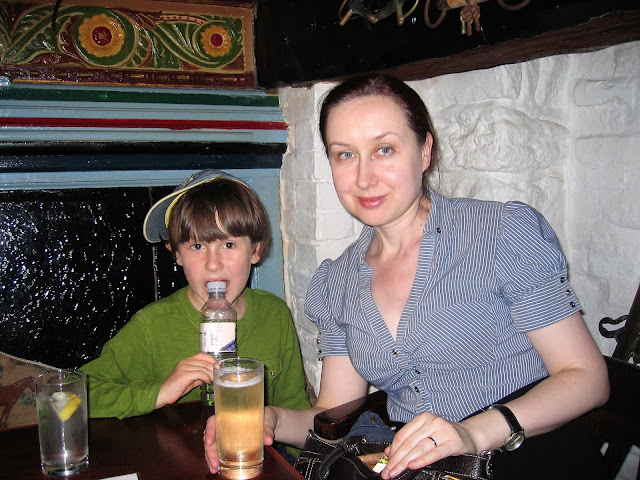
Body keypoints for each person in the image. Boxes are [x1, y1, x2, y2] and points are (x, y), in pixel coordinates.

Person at [203, 75, 609, 479]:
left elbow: (587, 378)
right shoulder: (336, 282)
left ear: (425, 150)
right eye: (345, 155)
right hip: (421, 469)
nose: (364, 178)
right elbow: (331, 411)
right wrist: (270, 418)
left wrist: (473, 433)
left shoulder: (500, 234)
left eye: (384, 149)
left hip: (526, 454)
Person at [81, 169, 310, 458]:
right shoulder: (152, 326)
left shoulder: (274, 314)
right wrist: (159, 392)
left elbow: (294, 406)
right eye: (197, 246)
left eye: (229, 244)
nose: (213, 264)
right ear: (176, 253)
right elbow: (78, 395)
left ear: (256, 249)